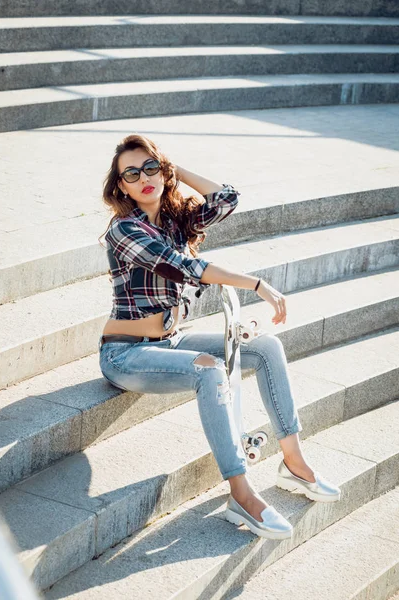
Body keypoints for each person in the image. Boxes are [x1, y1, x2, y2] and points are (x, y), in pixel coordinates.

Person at [98, 134, 341, 540]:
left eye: (151, 168)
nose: (144, 178)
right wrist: (257, 284)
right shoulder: (124, 230)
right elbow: (186, 268)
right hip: (125, 355)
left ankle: (294, 464)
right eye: (132, 173)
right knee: (209, 369)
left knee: (265, 347)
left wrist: (173, 169)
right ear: (120, 185)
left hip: (168, 341)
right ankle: (241, 495)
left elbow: (226, 198)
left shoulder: (175, 219)